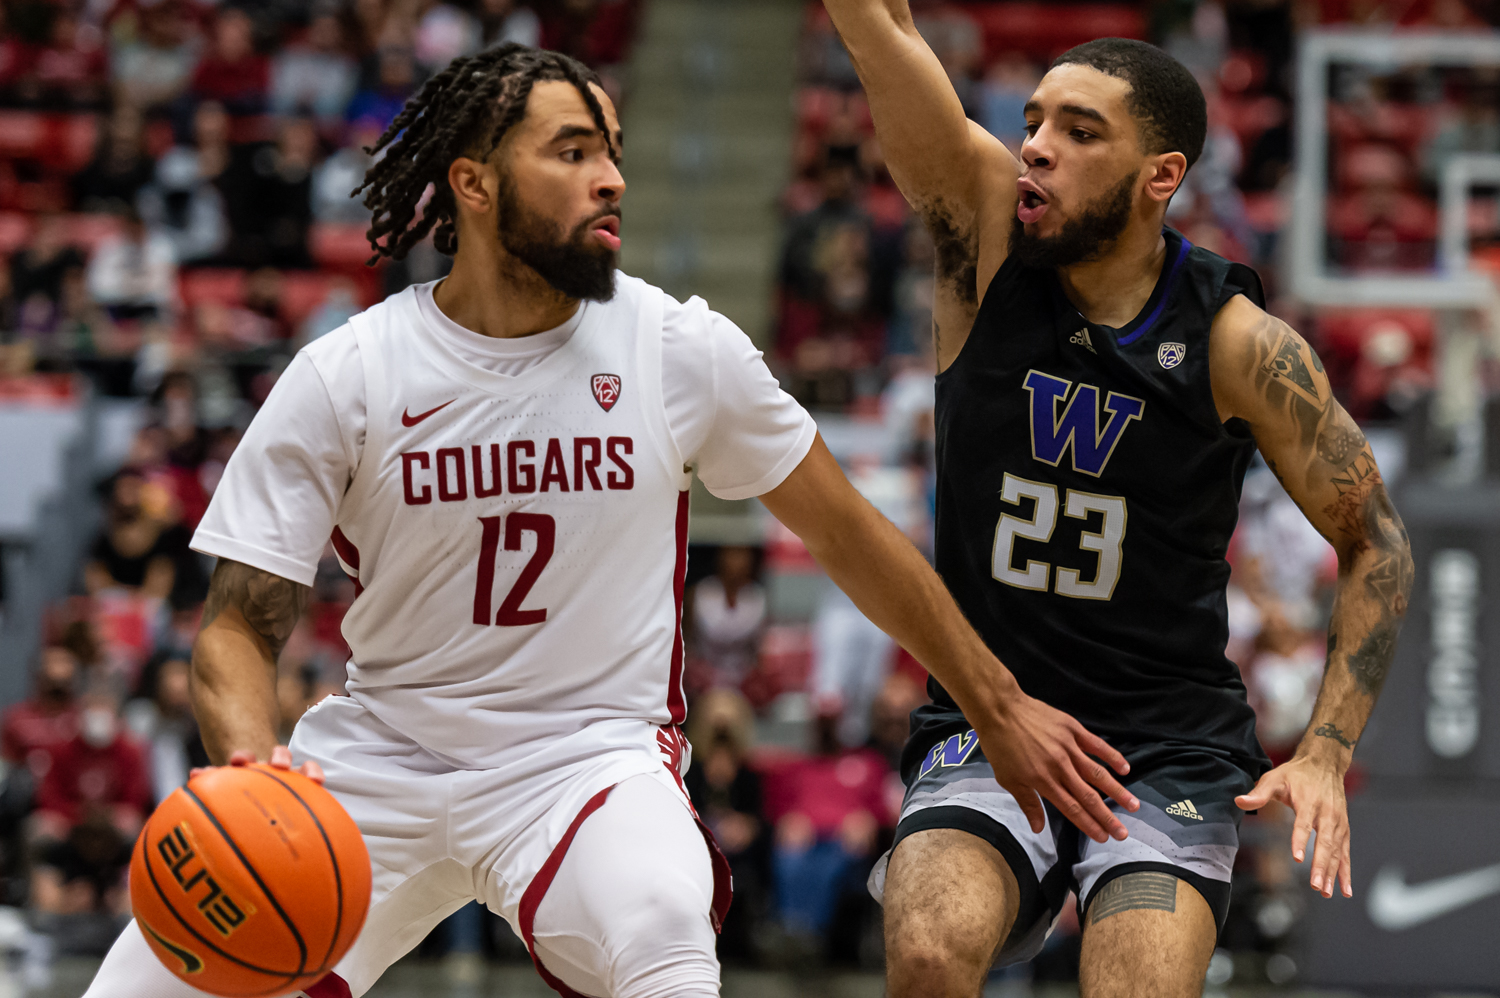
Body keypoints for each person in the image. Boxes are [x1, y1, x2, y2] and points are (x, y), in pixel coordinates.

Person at [80, 44, 1132, 998]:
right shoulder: (350, 372)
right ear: (476, 184)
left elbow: (850, 533)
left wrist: (997, 702)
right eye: (573, 151)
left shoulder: (676, 348)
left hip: (585, 760)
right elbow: (237, 621)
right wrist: (252, 774)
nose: (612, 177)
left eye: (614, 151)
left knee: (664, 927)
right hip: (382, 752)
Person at [818, 5, 1413, 995]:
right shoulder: (983, 235)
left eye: (1079, 132)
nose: (1037, 149)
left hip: (1164, 744)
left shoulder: (1237, 342)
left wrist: (1324, 749)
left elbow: (1375, 538)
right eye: (1037, 121)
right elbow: (883, 40)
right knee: (927, 949)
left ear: (1161, 177)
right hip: (994, 714)